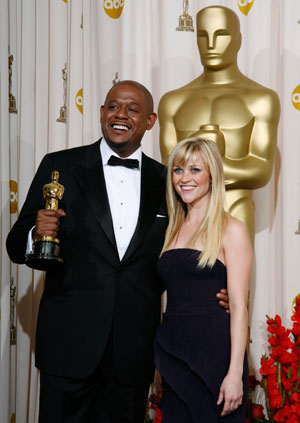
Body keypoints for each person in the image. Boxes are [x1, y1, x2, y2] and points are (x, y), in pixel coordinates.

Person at [6, 81, 229, 423]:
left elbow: (186, 247)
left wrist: (212, 293)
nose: (120, 115)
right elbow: (14, 244)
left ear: (151, 121)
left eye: (132, 109)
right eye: (113, 106)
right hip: (69, 347)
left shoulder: (168, 180)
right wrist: (37, 233)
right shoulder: (60, 166)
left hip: (133, 351)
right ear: (101, 113)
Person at [158, 5, 280, 244]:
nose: (211, 44)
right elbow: (167, 167)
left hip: (234, 207)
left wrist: (198, 166)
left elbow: (261, 170)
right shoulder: (173, 101)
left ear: (238, 40)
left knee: (235, 282)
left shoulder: (260, 99)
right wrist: (214, 164)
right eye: (203, 36)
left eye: (221, 35)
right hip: (185, 214)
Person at [154, 137, 252, 422]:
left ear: (212, 176)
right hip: (173, 351)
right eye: (178, 170)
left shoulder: (231, 229)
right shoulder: (170, 229)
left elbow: (239, 309)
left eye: (195, 170)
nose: (185, 179)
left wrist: (235, 373)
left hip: (214, 354)